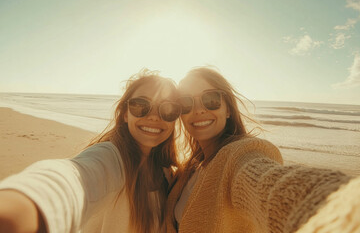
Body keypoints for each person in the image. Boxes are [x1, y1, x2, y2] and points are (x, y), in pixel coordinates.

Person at [166, 66, 360, 233]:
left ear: (228, 109)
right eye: (186, 103)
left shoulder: (239, 156)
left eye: (210, 99)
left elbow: (269, 183)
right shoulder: (191, 167)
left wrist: (341, 204)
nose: (199, 109)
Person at [0, 69, 182, 233]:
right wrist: (31, 202)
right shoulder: (112, 158)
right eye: (141, 105)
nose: (153, 116)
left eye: (168, 109)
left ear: (175, 118)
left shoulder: (167, 172)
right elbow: (75, 177)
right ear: (125, 114)